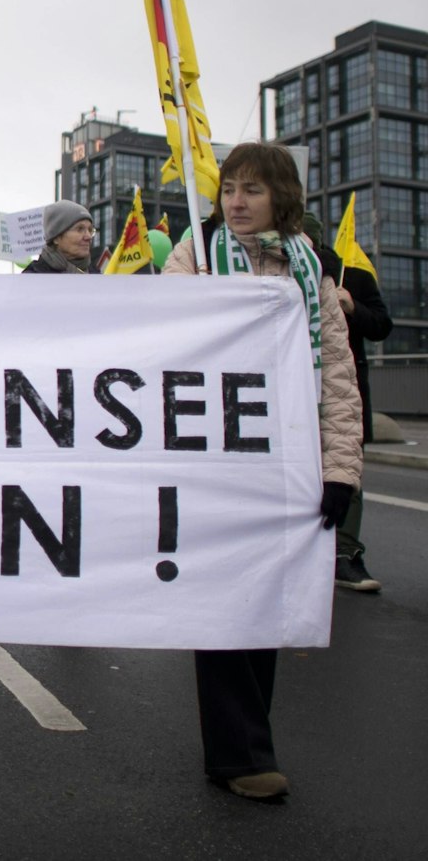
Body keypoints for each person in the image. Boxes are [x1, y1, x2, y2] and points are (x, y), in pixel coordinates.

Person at [163, 143, 362, 802]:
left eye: (251, 189)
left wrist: (341, 468)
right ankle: (241, 750)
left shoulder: (312, 268)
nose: (237, 202)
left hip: (289, 459)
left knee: (266, 600)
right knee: (225, 599)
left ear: (282, 194)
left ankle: (244, 741)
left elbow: (337, 372)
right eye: (228, 190)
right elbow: (164, 335)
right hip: (214, 453)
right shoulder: (194, 256)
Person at [300, 213, 392, 593]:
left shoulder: (352, 277)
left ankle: (346, 553)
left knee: (345, 471)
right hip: (296, 390)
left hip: (342, 388)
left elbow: (382, 325)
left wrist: (352, 307)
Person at [23, 201, 95, 274]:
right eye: (79, 229)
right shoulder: (32, 278)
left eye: (90, 230)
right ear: (56, 238)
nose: (88, 236)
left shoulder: (99, 277)